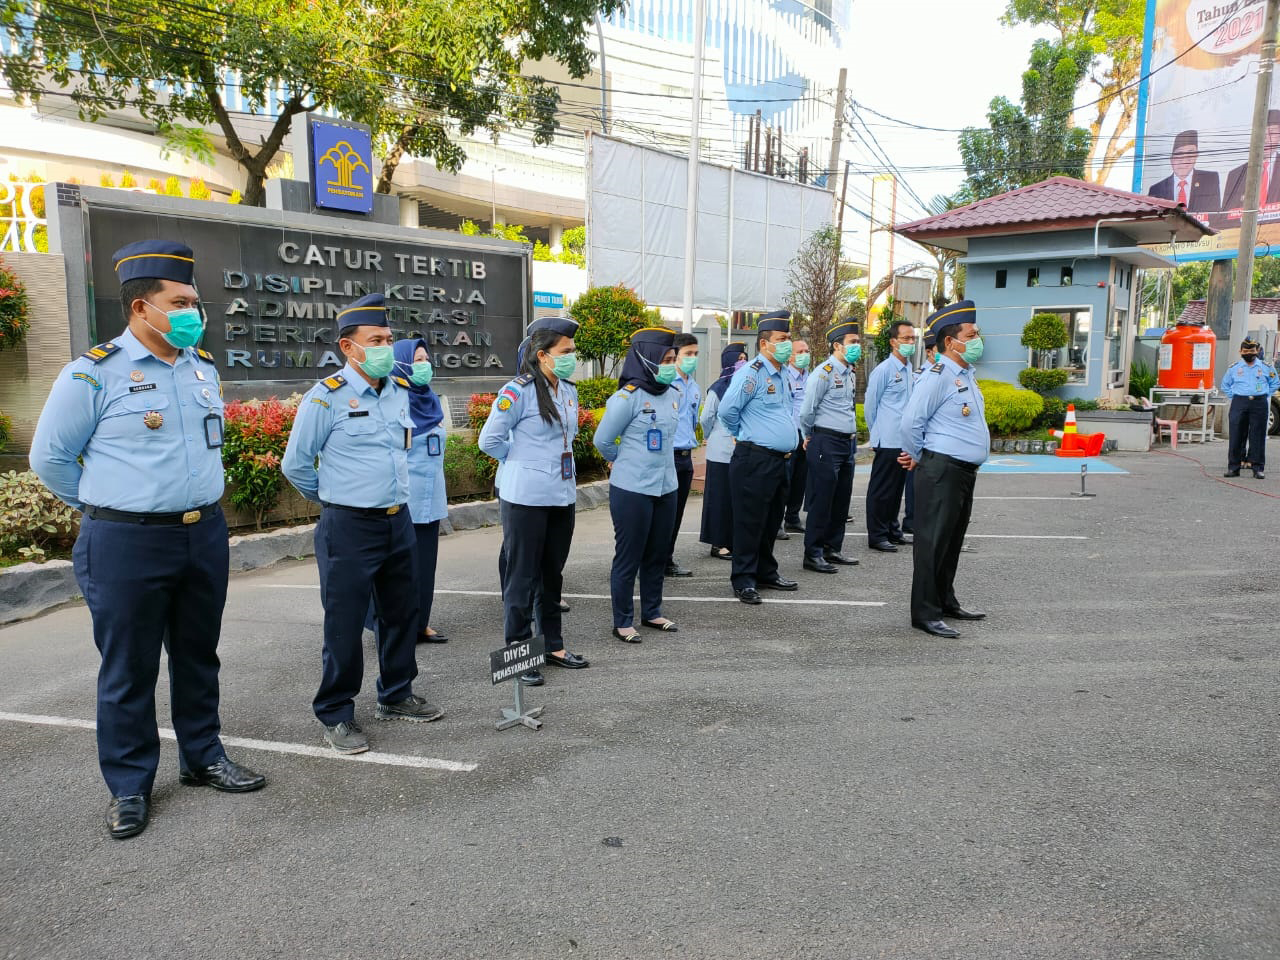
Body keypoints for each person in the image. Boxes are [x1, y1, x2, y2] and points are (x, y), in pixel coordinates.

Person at [30, 239, 265, 840]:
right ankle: (130, 784)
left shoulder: (201, 367)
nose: (194, 312)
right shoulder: (93, 372)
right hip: (126, 541)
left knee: (196, 655)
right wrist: (108, 505)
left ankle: (202, 757)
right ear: (141, 308)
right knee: (128, 667)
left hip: (201, 534)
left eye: (196, 301)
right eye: (181, 301)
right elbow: (51, 458)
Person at [282, 293, 444, 755]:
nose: (384, 347)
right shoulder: (326, 398)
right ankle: (336, 713)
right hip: (349, 526)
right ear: (347, 347)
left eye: (388, 339)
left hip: (398, 520)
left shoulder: (398, 390)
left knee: (401, 612)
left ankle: (395, 694)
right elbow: (296, 466)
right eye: (376, 340)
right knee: (345, 622)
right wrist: (336, 500)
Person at [478, 317, 588, 685]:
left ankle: (553, 644)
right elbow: (489, 441)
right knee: (521, 578)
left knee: (551, 575)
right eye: (566, 352)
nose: (573, 357)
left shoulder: (568, 390)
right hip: (525, 496)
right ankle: (518, 651)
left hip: (561, 494)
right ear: (542, 355)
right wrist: (522, 460)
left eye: (573, 350)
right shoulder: (518, 391)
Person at [899, 300, 990, 639]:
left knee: (952, 540)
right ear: (951, 342)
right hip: (941, 470)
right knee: (933, 542)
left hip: (962, 471)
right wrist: (917, 454)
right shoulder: (937, 376)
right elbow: (911, 421)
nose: (978, 339)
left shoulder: (965, 374)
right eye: (972, 334)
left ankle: (944, 599)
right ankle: (924, 612)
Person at [593, 327, 682, 640]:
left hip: (666, 486)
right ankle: (623, 620)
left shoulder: (674, 395)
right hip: (632, 488)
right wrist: (620, 457)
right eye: (667, 359)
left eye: (674, 358)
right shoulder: (626, 397)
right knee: (629, 556)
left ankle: (653, 612)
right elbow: (602, 439)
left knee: (657, 553)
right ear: (647, 359)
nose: (672, 364)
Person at [718, 311, 800, 604]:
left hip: (779, 460)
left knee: (771, 520)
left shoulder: (782, 373)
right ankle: (744, 579)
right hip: (754, 458)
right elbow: (727, 410)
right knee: (750, 522)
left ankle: (766, 571)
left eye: (788, 339)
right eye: (782, 339)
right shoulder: (750, 373)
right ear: (765, 344)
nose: (787, 344)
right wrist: (743, 432)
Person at [390, 337, 449, 641]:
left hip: (431, 500)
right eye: (417, 360)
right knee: (400, 572)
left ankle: (420, 623)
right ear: (400, 363)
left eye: (426, 359)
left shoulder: (431, 399)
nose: (424, 366)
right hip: (402, 501)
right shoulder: (392, 401)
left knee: (425, 568)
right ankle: (396, 628)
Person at [798, 320, 861, 573]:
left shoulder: (850, 373)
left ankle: (832, 548)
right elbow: (806, 411)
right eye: (852, 343)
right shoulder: (823, 373)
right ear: (837, 345)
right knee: (822, 500)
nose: (857, 347)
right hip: (825, 440)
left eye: (858, 342)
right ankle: (812, 553)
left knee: (841, 499)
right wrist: (809, 435)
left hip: (847, 443)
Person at [864, 319, 917, 552]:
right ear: (893, 342)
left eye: (912, 338)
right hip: (887, 439)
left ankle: (892, 530)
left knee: (896, 489)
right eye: (906, 338)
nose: (910, 342)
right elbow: (870, 407)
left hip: (904, 440)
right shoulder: (883, 370)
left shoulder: (908, 369)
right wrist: (876, 437)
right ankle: (877, 535)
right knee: (882, 489)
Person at [699, 342, 746, 561]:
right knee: (718, 498)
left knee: (735, 498)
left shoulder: (746, 385)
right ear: (729, 361)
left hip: (741, 451)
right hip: (720, 451)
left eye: (746, 358)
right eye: (739, 359)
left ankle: (733, 539)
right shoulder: (718, 387)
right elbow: (706, 417)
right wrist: (711, 436)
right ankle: (717, 543)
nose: (743, 363)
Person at [665, 332, 701, 577]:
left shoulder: (695, 387)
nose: (693, 358)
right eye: (688, 354)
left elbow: (694, 419)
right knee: (662, 514)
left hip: (686, 457)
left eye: (696, 354)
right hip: (667, 456)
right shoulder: (666, 384)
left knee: (676, 515)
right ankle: (650, 560)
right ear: (675, 356)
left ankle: (666, 559)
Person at [1221, 337, 1278, 479]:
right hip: (1239, 402)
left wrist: (1264, 394)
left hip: (1259, 403)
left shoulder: (1266, 367)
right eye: (1245, 350)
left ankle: (1257, 468)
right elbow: (1225, 385)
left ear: (1257, 351)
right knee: (1236, 435)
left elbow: (1275, 382)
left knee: (1257, 436)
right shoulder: (1235, 368)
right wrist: (1234, 396)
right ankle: (1233, 468)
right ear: (1240, 351)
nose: (1249, 353)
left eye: (1252, 350)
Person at [779, 339, 811, 539]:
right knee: (785, 479)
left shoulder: (812, 376)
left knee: (801, 478)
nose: (804, 354)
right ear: (790, 356)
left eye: (807, 351)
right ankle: (777, 521)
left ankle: (792, 517)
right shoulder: (783, 375)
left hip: (806, 434)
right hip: (789, 433)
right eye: (800, 351)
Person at [1147, 130, 1220, 213]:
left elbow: (1215, 216)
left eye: (1190, 153)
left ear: (1196, 156)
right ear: (1171, 160)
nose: (1184, 160)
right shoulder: (1157, 189)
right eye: (1179, 154)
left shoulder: (1209, 180)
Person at [1223, 110, 1280, 210]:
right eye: (1261, 133)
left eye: (1271, 133)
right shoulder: (1235, 175)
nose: (1265, 139)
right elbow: (1227, 217)